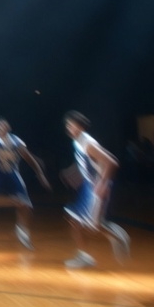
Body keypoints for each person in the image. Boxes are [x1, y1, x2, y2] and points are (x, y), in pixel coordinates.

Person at [62, 110, 131, 268]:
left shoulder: (88, 143)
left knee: (93, 226)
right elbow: (89, 163)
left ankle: (118, 236)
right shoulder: (78, 141)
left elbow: (112, 162)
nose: (68, 128)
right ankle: (84, 257)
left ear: (80, 127)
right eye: (67, 125)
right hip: (89, 186)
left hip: (96, 187)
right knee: (74, 220)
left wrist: (103, 183)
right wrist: (72, 171)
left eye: (71, 125)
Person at [0, 116, 49, 250]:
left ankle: (22, 231)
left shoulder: (16, 141)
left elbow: (29, 158)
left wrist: (40, 173)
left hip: (11, 173)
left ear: (9, 127)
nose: (3, 127)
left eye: (5, 125)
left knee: (25, 204)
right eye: (0, 125)